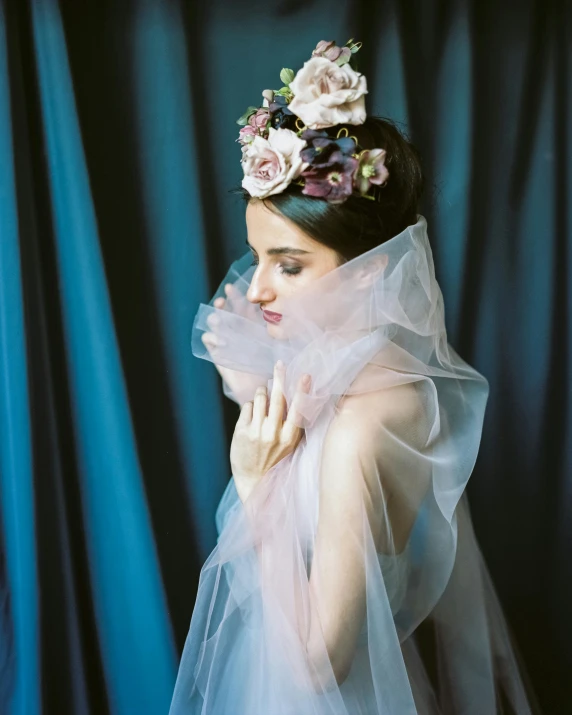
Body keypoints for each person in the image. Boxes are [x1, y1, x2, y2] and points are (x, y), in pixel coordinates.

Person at [169, 38, 540, 714]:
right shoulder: (363, 387)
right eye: (256, 257)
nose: (255, 291)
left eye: (289, 263)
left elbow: (318, 664)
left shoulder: (361, 426)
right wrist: (255, 393)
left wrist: (255, 483)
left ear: (370, 268)